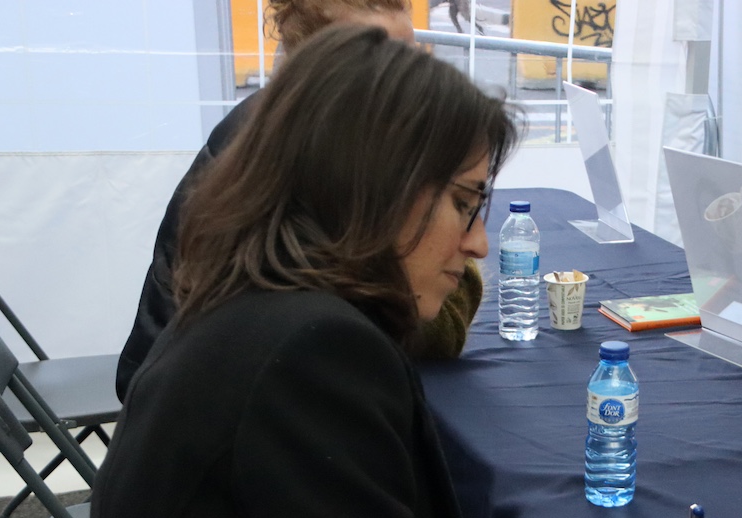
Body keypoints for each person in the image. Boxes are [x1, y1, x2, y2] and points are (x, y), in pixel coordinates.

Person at [54, 25, 742, 518]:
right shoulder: (309, 356)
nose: (479, 242)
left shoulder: (250, 308)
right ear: (372, 185)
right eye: (462, 202)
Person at [112, 0, 480, 404]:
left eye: (408, 59)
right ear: (313, 71)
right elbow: (414, 324)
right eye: (376, 64)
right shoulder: (286, 163)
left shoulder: (338, 140)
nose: (406, 85)